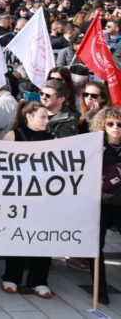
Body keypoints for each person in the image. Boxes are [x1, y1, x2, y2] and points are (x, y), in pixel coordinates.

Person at [1, 101, 54, 298]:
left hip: (43, 198)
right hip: (17, 197)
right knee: (17, 237)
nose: (47, 120)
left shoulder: (52, 138)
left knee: (43, 238)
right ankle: (11, 277)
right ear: (29, 116)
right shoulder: (13, 136)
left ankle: (39, 280)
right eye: (43, 116)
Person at [92, 106, 121, 304]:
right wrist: (95, 155)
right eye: (110, 124)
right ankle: (100, 291)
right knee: (96, 247)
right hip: (100, 204)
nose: (116, 128)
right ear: (102, 124)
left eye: (119, 124)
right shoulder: (94, 145)